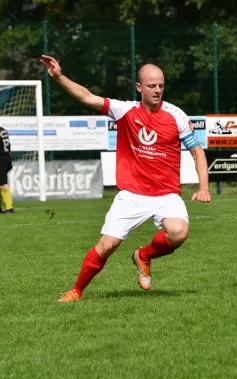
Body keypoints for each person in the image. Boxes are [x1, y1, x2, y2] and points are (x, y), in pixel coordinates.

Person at [40, 55, 211, 302]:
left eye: (161, 85)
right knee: (107, 245)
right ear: (139, 87)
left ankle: (144, 256)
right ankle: (76, 290)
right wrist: (58, 77)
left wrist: (203, 187)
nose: (157, 90)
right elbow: (87, 97)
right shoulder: (125, 110)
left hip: (166, 194)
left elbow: (197, 152)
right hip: (132, 194)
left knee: (179, 232)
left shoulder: (177, 116)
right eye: (152, 86)